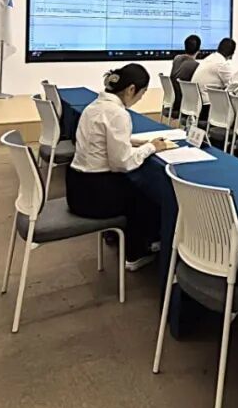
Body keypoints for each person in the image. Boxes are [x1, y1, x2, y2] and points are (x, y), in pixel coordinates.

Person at [68, 64, 174, 271]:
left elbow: (102, 141)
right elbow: (122, 163)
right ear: (131, 89)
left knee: (133, 187)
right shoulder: (118, 114)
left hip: (76, 186)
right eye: (142, 93)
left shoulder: (94, 106)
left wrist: (133, 142)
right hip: (94, 195)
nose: (141, 98)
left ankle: (115, 235)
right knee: (147, 194)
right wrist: (152, 147)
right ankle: (136, 253)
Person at [191, 37, 236, 107]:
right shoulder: (222, 64)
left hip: (195, 102)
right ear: (232, 54)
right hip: (206, 105)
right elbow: (233, 86)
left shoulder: (210, 58)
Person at [169, 34, 201, 116]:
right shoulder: (195, 65)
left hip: (174, 101)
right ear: (199, 49)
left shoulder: (176, 58)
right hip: (185, 103)